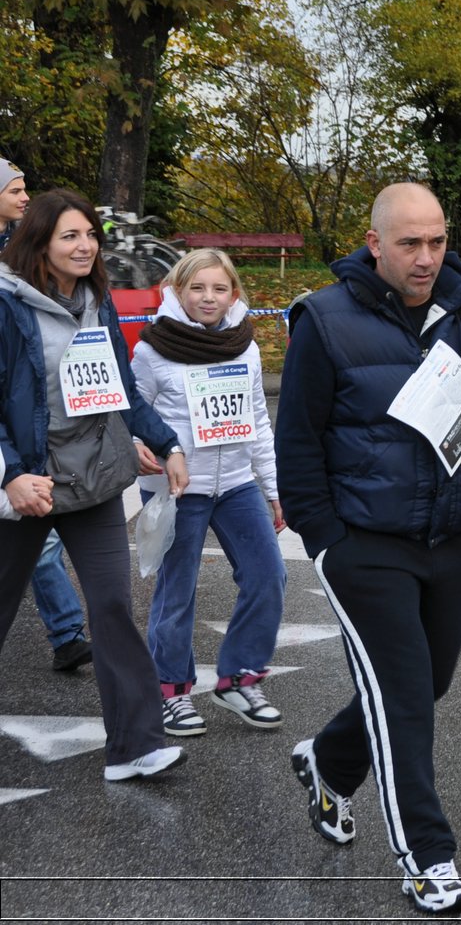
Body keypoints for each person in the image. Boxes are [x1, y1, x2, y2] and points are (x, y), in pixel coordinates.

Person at [276, 183, 461, 915]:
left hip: (455, 538)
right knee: (405, 700)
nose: (427, 257)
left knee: (425, 682)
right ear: (375, 243)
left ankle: (329, 759)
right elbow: (299, 442)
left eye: (437, 241)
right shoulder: (324, 320)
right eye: (410, 243)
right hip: (365, 546)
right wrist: (326, 542)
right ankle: (428, 859)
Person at [0, 188, 188, 781]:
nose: (86, 247)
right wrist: (10, 476)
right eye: (70, 237)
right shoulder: (7, 305)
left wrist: (166, 441)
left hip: (95, 478)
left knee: (111, 606)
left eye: (90, 236)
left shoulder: (98, 300)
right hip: (28, 482)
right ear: (39, 243)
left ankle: (136, 746)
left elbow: (120, 389)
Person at [131, 248, 286, 738]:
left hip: (237, 483)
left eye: (219, 289)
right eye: (197, 288)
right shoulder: (151, 350)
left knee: (268, 576)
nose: (208, 298)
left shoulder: (247, 347)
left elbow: (259, 421)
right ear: (177, 291)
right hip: (181, 488)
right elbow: (136, 415)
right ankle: (172, 691)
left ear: (234, 294)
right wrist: (139, 446)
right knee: (176, 592)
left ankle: (239, 677)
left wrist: (276, 489)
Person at [0, 157, 92, 672]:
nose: (23, 196)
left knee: (43, 538)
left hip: (25, 445)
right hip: (11, 451)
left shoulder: (29, 259)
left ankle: (66, 633)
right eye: (14, 189)